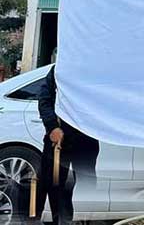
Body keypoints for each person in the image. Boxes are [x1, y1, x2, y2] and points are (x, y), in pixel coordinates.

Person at [36, 66, 100, 225]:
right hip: (59, 138)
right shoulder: (60, 68)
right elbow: (45, 98)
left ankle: (83, 221)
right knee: (54, 183)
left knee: (87, 184)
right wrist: (52, 127)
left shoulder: (96, 70)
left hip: (86, 139)